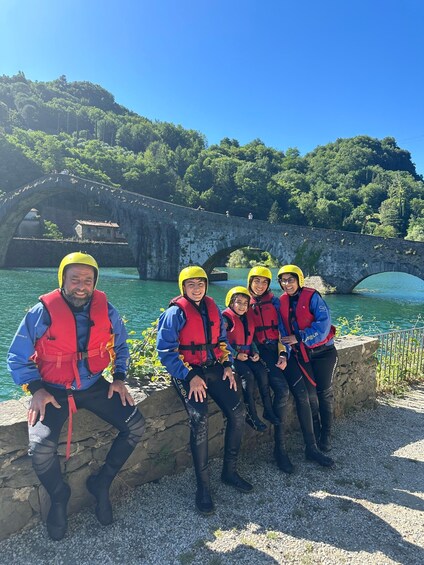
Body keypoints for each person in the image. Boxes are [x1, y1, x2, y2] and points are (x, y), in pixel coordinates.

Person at [7, 252, 145, 541]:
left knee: (135, 425)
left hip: (94, 386)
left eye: (87, 280)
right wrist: (36, 389)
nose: (81, 286)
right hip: (53, 391)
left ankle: (101, 483)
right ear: (63, 280)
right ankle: (59, 496)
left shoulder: (107, 310)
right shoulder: (41, 312)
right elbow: (16, 357)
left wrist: (119, 378)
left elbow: (121, 347)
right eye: (75, 279)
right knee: (40, 449)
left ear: (94, 282)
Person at [156, 266, 253, 516]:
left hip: (212, 367)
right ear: (183, 288)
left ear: (206, 286)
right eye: (191, 285)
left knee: (238, 412)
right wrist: (190, 376)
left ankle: (229, 472)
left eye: (200, 284)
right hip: (187, 371)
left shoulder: (213, 309)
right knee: (200, 420)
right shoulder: (174, 313)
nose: (197, 289)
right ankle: (203, 487)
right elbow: (166, 352)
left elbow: (221, 342)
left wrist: (228, 366)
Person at [247, 266, 334, 474]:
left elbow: (283, 331)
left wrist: (284, 353)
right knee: (283, 392)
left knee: (303, 394)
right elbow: (238, 334)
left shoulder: (276, 302)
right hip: (263, 355)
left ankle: (311, 448)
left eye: (264, 282)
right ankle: (280, 450)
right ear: (249, 282)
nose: (260, 285)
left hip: (280, 352)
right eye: (256, 281)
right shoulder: (243, 303)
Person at [278, 265, 338, 452]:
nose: (287, 284)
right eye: (283, 280)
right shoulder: (281, 302)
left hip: (323, 353)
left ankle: (326, 434)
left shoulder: (313, 297)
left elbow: (324, 326)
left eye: (291, 280)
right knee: (310, 395)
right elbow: (282, 330)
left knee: (324, 393)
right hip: (302, 355)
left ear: (299, 280)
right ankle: (316, 429)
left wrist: (300, 337)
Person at [222, 286, 280, 432]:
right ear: (230, 303)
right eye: (238, 302)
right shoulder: (225, 319)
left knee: (262, 372)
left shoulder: (247, 318)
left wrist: (255, 352)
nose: (242, 306)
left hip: (247, 355)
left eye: (245, 303)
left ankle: (268, 410)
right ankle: (251, 415)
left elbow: (251, 338)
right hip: (233, 358)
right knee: (248, 377)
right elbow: (220, 341)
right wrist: (235, 354)